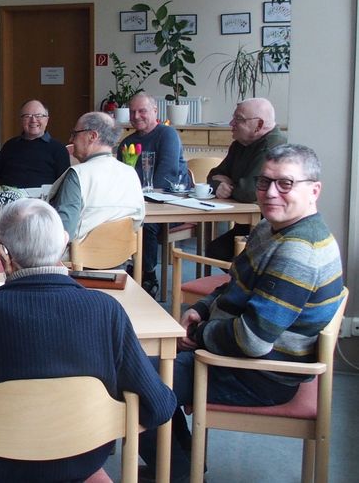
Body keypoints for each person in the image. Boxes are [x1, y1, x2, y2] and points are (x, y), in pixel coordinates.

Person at [0, 198, 177, 482]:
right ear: (63, 244)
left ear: (3, 255)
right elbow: (159, 405)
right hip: (79, 464)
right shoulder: (107, 310)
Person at [139, 144, 344, 483]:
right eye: (264, 182)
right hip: (243, 353)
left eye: (285, 184)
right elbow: (236, 283)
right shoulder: (272, 228)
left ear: (314, 190)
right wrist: (203, 308)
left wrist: (200, 335)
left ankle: (175, 473)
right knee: (141, 356)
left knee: (138, 376)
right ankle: (182, 468)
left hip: (261, 375)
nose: (270, 193)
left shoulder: (299, 251)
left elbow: (251, 340)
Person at [118, 93, 190, 295]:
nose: (136, 116)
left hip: (171, 204)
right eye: (132, 112)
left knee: (145, 223)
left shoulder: (167, 134)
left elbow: (165, 176)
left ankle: (147, 274)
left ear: (155, 112)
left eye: (142, 111)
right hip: (138, 204)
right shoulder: (127, 142)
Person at [205, 97, 287, 261]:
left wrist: (229, 184)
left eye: (238, 119)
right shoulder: (239, 145)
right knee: (215, 250)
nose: (231, 123)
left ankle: (246, 284)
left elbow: (250, 191)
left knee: (220, 251)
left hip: (268, 229)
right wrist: (219, 184)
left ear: (259, 125)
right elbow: (213, 175)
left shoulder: (274, 146)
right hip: (245, 225)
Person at [49, 111, 144, 245]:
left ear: (92, 136)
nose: (71, 140)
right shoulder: (131, 173)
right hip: (121, 258)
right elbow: (139, 221)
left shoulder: (78, 175)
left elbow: (64, 233)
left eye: (75, 134)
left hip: (78, 262)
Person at [0, 99, 71, 188]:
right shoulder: (10, 145)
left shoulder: (58, 149)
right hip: (10, 200)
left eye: (38, 115)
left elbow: (65, 185)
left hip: (40, 200)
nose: (33, 120)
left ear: (46, 120)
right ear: (21, 120)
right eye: (27, 116)